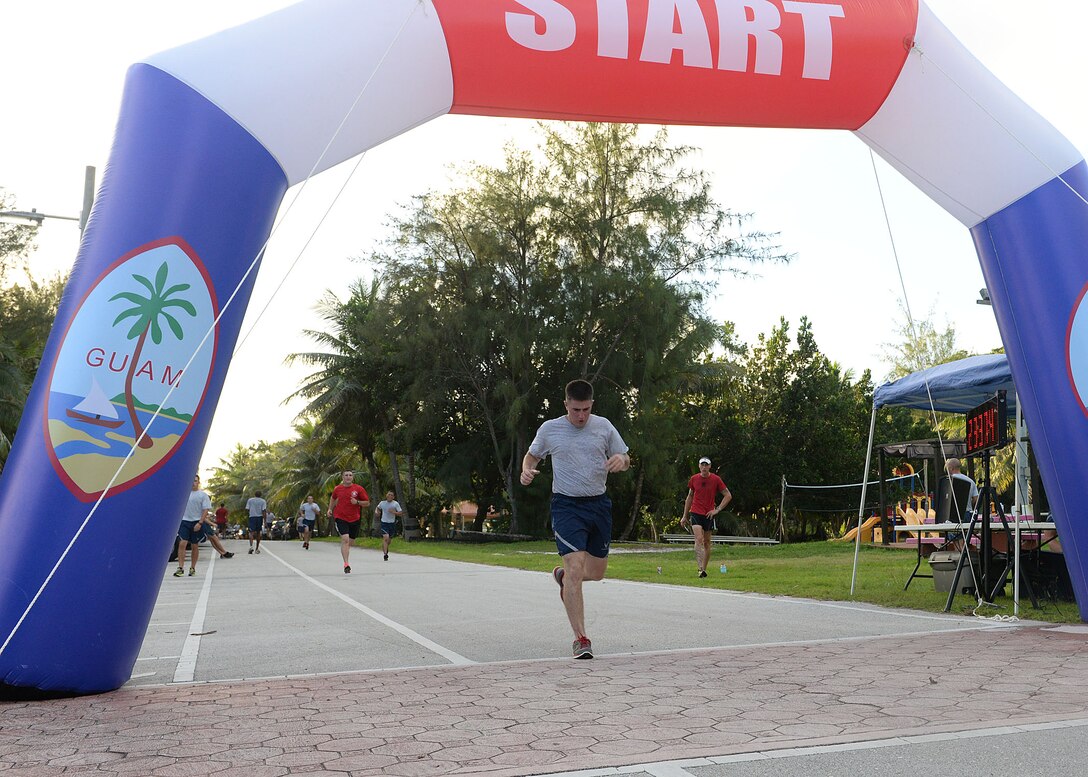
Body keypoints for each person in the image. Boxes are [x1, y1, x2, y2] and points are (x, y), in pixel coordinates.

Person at [521, 379, 630, 660]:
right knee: (574, 566)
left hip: (598, 505)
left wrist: (621, 461)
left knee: (595, 573)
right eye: (575, 410)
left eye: (585, 409)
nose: (580, 416)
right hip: (566, 505)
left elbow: (625, 457)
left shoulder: (604, 426)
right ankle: (581, 638)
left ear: (592, 405)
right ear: (566, 405)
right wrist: (526, 471)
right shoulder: (550, 429)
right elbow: (531, 457)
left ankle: (563, 578)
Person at [681, 457, 732, 578]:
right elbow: (690, 497)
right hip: (696, 512)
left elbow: (728, 495)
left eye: (706, 465)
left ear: (709, 466)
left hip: (709, 513)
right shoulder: (694, 479)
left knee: (707, 542)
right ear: (699, 466)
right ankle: (699, 569)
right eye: (702, 465)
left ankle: (704, 569)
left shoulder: (716, 479)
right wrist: (684, 516)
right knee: (698, 538)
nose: (704, 467)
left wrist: (717, 509)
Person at [329, 470, 369, 573]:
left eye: (350, 475)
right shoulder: (338, 489)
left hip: (354, 518)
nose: (348, 477)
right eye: (346, 475)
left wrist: (357, 502)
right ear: (342, 477)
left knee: (350, 542)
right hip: (340, 517)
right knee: (345, 539)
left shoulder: (358, 489)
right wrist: (330, 509)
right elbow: (333, 499)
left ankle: (345, 549)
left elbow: (367, 503)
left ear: (352, 477)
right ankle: (346, 564)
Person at [174, 475, 211, 577]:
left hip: (196, 522)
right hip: (184, 521)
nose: (193, 483)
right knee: (182, 543)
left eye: (195, 481)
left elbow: (205, 510)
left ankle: (193, 567)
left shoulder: (203, 495)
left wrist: (200, 523)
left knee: (195, 545)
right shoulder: (183, 494)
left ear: (198, 482)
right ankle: (180, 568)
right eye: (191, 481)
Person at [375, 491, 404, 561]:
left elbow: (401, 513)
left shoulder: (395, 504)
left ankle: (385, 547)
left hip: (392, 523)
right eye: (388, 494)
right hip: (384, 523)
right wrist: (377, 512)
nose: (389, 496)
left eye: (391, 495)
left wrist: (394, 512)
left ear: (393, 497)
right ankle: (385, 554)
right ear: (386, 496)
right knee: (386, 537)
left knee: (389, 540)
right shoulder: (382, 503)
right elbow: (378, 508)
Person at [245, 490, 268, 554]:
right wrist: (265, 521)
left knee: (251, 532)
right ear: (261, 495)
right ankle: (257, 548)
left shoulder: (250, 500)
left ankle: (251, 546)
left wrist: (251, 513)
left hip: (252, 517)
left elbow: (247, 509)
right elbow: (264, 511)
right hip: (259, 517)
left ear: (254, 494)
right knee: (258, 533)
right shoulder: (263, 501)